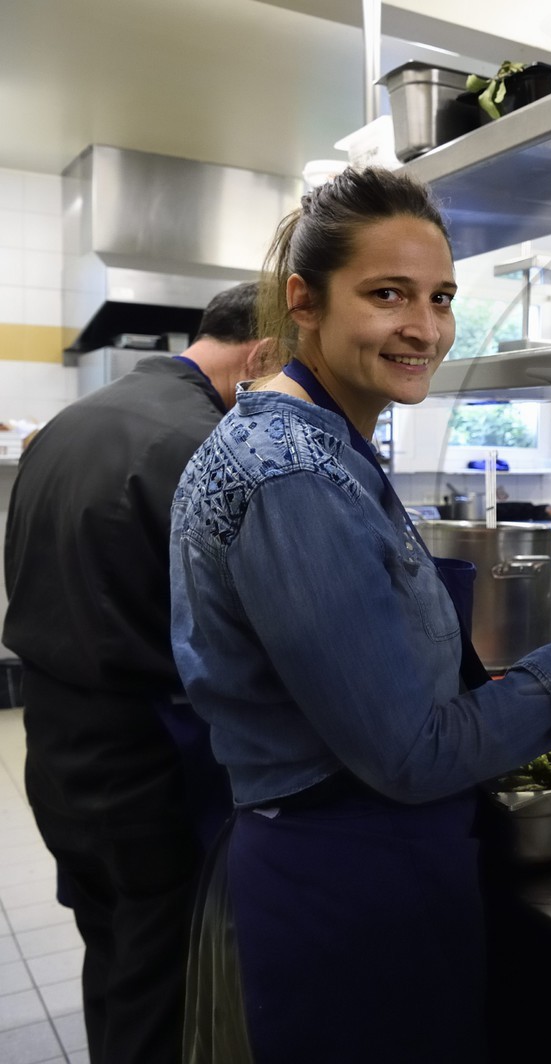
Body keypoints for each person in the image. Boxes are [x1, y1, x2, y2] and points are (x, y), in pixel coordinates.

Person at [167, 167, 551, 1063]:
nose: (423, 327)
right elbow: (412, 752)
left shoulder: (318, 440)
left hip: (368, 866)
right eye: (386, 295)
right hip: (347, 887)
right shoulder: (293, 473)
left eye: (440, 298)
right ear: (304, 301)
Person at [2, 282, 265, 1064]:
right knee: (161, 981)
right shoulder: (204, 446)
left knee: (110, 949)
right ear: (263, 355)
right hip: (147, 766)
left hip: (55, 749)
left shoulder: (68, 425)